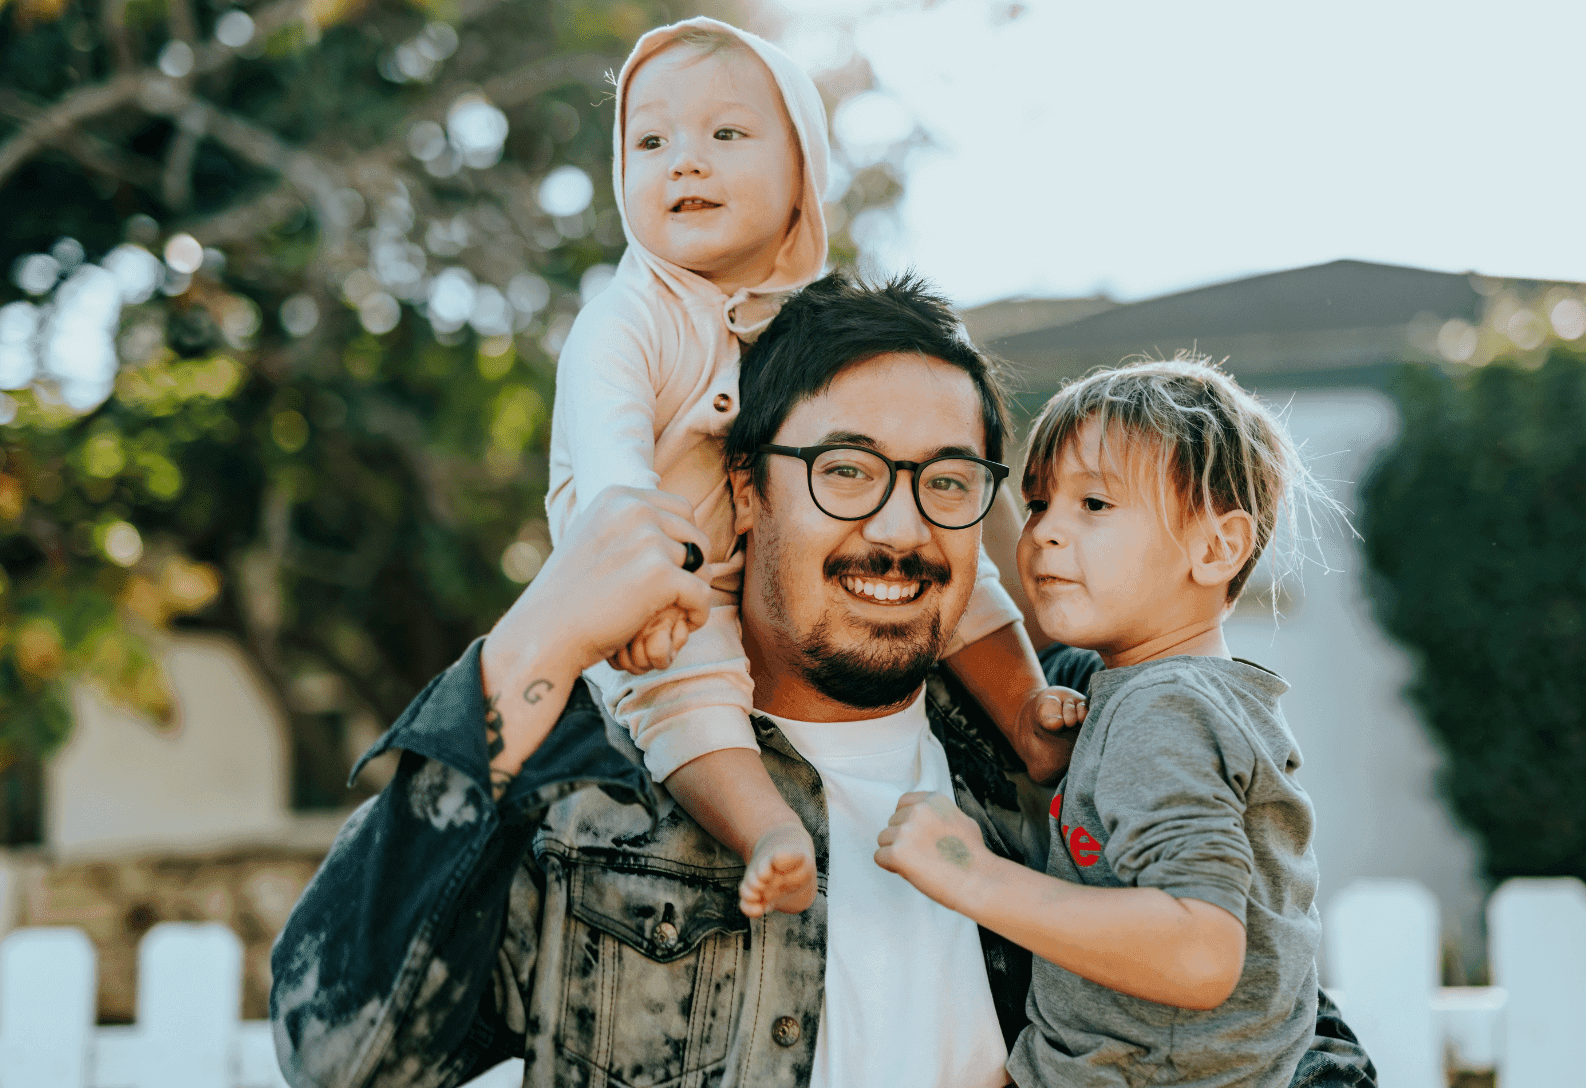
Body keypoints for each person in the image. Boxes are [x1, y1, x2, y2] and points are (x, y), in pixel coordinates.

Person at [270, 274, 1376, 1088]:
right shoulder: (589, 776)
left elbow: (1280, 1018)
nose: (898, 526)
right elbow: (339, 1055)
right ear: (746, 491)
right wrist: (532, 643)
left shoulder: (1074, 728)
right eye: (844, 471)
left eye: (947, 481)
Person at [546, 16, 1082, 921]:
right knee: (687, 694)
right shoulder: (627, 320)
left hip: (735, 568)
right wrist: (643, 592)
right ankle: (766, 829)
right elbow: (612, 479)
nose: (684, 161)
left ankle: (1028, 717)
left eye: (725, 134)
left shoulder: (814, 326)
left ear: (803, 173)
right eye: (650, 141)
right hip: (660, 589)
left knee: (959, 564)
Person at [877, 358, 1328, 1087]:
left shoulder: (1163, 710)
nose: (1045, 533)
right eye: (1037, 504)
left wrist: (970, 875)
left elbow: (1201, 951)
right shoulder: (1168, 697)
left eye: (1093, 505)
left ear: (1217, 547)